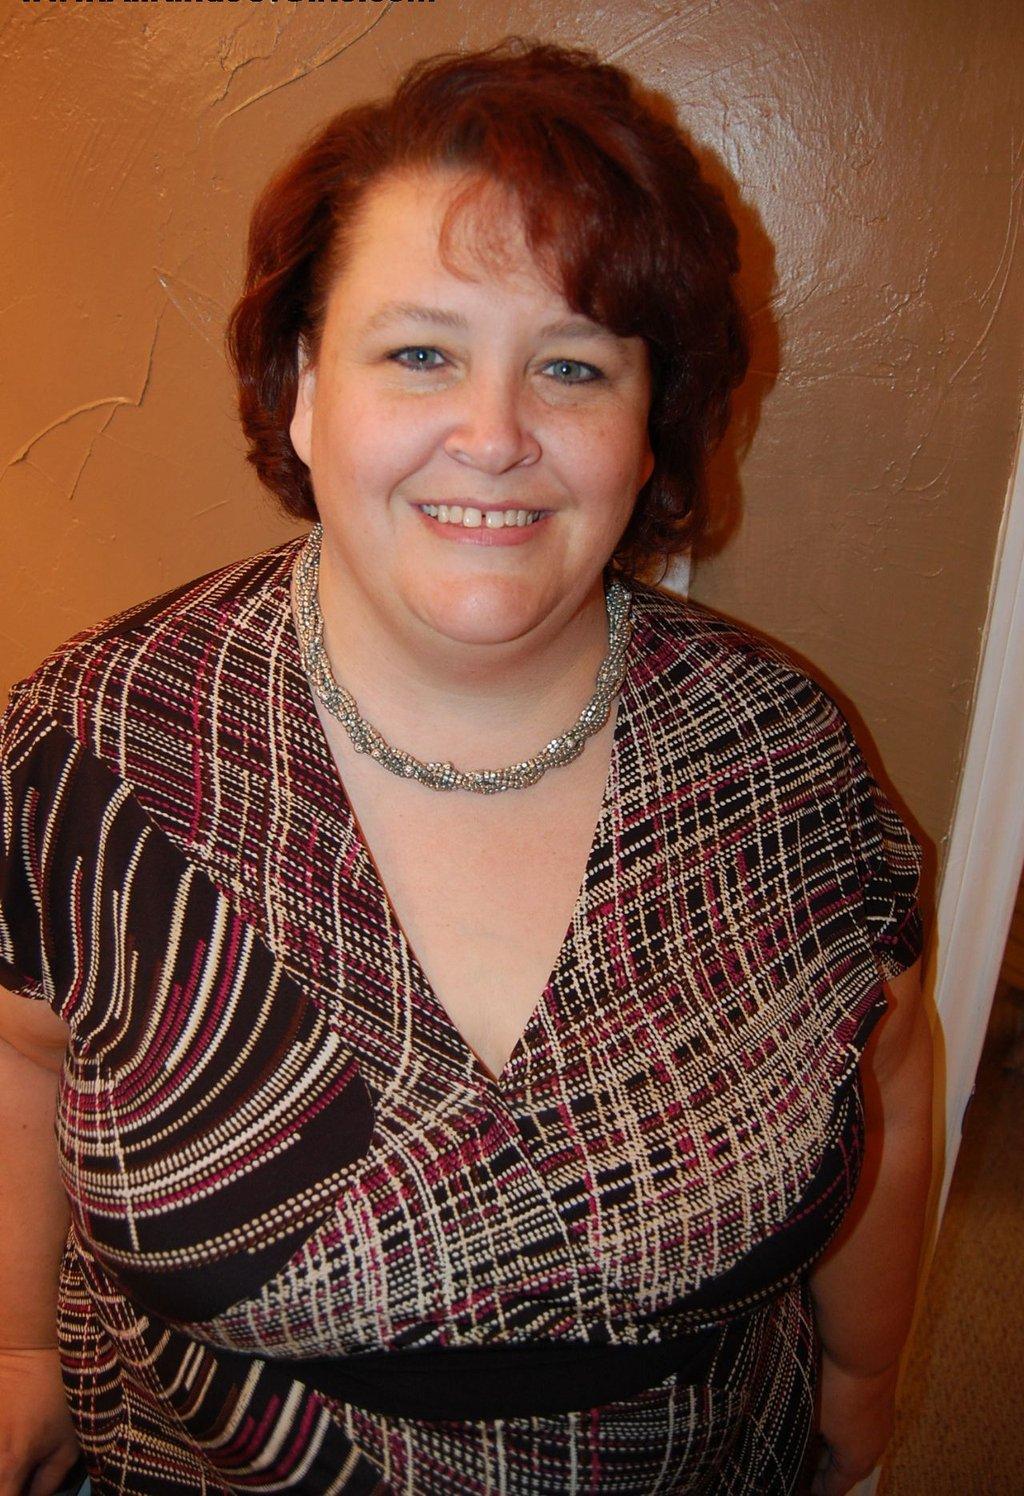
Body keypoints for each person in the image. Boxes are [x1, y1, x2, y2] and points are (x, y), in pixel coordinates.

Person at [0, 36, 932, 1496]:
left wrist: (865, 1379)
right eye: (421, 353)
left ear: (648, 429)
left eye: (572, 366)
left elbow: (892, 1064)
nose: (495, 438)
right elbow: (18, 1052)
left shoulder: (785, 759)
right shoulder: (94, 748)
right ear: (303, 388)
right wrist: (15, 1353)